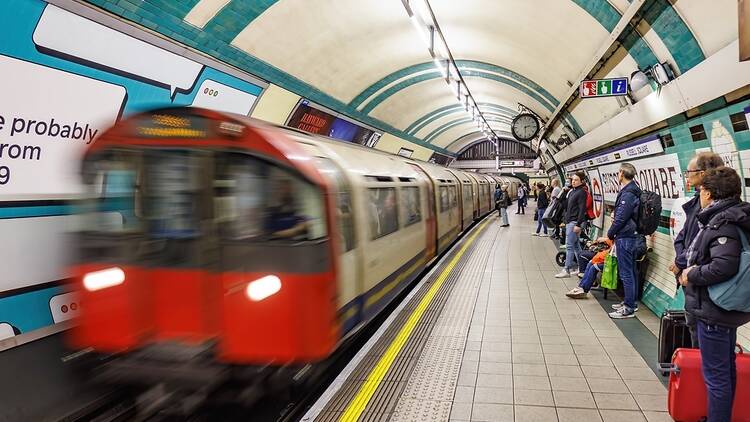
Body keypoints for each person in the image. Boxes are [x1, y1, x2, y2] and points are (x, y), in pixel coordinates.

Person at [679, 167, 750, 422]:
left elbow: (723, 266)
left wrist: (692, 274)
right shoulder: (735, 216)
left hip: (714, 308)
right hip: (725, 307)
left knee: (716, 376)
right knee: (724, 369)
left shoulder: (723, 223)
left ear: (707, 193)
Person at [671, 152, 724, 347]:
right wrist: (679, 260)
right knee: (693, 326)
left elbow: (700, 244)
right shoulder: (696, 203)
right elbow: (684, 236)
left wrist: (682, 263)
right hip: (690, 277)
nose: (686, 175)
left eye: (689, 171)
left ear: (703, 174)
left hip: (700, 280)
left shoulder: (716, 212)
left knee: (702, 334)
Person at [595, 163, 642, 319]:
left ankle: (628, 308)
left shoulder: (628, 193)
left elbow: (621, 217)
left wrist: (610, 233)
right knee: (630, 271)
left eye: (618, 172)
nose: (618, 175)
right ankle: (630, 303)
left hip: (625, 237)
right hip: (629, 236)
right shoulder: (632, 190)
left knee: (626, 273)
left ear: (622, 173)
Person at [555, 172, 588, 278]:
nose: (573, 182)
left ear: (582, 181)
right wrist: (563, 193)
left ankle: (567, 270)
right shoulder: (572, 191)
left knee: (569, 246)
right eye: (572, 180)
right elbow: (565, 205)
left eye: (576, 180)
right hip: (570, 221)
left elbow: (582, 209)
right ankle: (581, 268)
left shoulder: (582, 192)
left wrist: (578, 224)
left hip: (574, 222)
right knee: (576, 246)